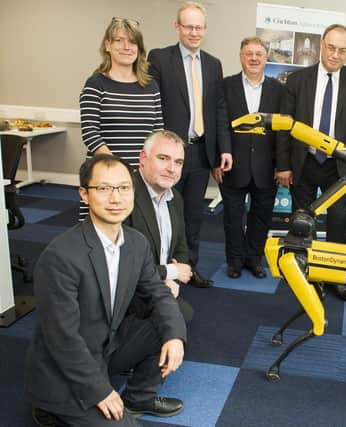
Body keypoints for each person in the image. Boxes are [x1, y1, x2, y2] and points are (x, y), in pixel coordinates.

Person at [26, 155, 186, 427]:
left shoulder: (136, 243)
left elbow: (158, 293)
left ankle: (138, 398)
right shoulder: (60, 256)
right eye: (103, 188)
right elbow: (62, 339)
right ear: (84, 195)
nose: (116, 198)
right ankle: (50, 410)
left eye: (124, 188)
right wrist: (99, 391)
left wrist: (175, 337)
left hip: (105, 346)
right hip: (64, 367)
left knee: (174, 319)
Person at [276, 24, 346, 301]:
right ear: (321, 46)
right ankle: (302, 273)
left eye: (343, 50)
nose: (336, 54)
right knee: (301, 220)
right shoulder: (296, 80)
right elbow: (284, 126)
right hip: (303, 161)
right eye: (331, 47)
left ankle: (334, 277)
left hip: (339, 167)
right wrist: (283, 165)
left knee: (339, 222)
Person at [148, 1, 232, 288]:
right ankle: (161, 272)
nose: (194, 32)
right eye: (188, 26)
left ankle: (188, 268)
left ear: (205, 30)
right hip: (169, 153)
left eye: (199, 27)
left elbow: (219, 109)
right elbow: (152, 105)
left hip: (199, 152)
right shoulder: (159, 59)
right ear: (177, 27)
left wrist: (224, 149)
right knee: (163, 213)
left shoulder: (213, 64)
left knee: (192, 216)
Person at [79, 17, 164, 219]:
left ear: (139, 48)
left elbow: (158, 133)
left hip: (143, 176)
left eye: (132, 42)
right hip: (106, 174)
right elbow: (90, 131)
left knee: (141, 234)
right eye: (119, 40)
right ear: (107, 45)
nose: (127, 47)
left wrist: (152, 168)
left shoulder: (150, 86)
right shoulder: (96, 83)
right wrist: (118, 167)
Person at [218, 37, 284, 279]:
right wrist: (220, 156)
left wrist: (282, 165)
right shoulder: (226, 85)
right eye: (249, 53)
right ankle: (234, 260)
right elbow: (221, 123)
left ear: (266, 58)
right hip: (233, 164)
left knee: (261, 217)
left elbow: (282, 130)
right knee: (233, 218)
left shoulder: (278, 90)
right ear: (241, 57)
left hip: (267, 167)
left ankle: (254, 258)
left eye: (259, 53)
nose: (254, 58)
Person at [126, 131, 195, 325]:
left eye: (178, 162)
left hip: (159, 283)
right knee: (179, 318)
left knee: (182, 316)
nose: (171, 169)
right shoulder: (124, 197)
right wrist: (170, 272)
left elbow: (181, 248)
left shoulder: (175, 199)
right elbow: (123, 267)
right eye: (163, 158)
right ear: (143, 158)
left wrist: (172, 281)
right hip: (127, 290)